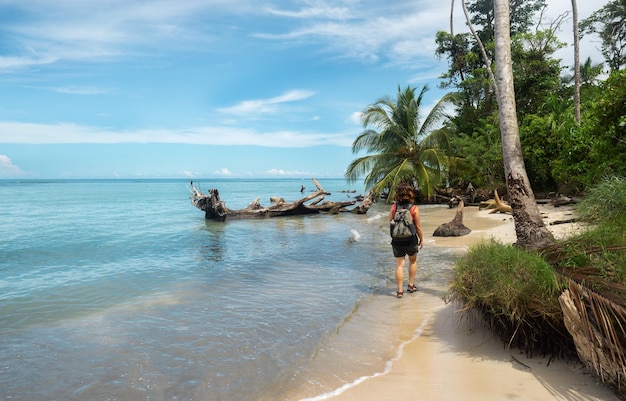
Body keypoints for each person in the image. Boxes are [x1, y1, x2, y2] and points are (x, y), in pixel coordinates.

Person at [389, 183, 424, 298]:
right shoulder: (414, 208)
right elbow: (418, 227)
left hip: (397, 240)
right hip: (410, 240)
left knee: (399, 265)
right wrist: (421, 239)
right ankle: (410, 285)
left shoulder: (394, 207)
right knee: (412, 261)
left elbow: (391, 223)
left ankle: (399, 291)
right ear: (410, 194)